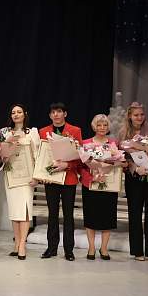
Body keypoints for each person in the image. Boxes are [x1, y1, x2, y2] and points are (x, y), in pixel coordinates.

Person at [37, 103, 83, 261]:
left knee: (68, 215)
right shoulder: (43, 131)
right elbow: (41, 155)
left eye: (59, 111)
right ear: (50, 115)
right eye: (53, 112)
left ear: (65, 114)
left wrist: (67, 165)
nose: (56, 115)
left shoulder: (75, 131)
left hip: (68, 178)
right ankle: (51, 248)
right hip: (51, 178)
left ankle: (69, 250)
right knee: (52, 214)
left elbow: (80, 157)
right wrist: (41, 173)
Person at [119, 101, 148, 262]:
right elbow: (122, 157)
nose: (139, 117)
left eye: (142, 114)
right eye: (136, 115)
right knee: (135, 214)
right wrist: (135, 168)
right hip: (134, 177)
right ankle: (137, 251)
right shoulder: (124, 132)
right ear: (130, 116)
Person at [0, 104, 41, 260]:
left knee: (24, 210)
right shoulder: (6, 133)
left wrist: (36, 176)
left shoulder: (32, 132)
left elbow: (37, 155)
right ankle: (16, 243)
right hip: (11, 176)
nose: (16, 115)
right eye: (13, 112)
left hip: (27, 178)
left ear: (24, 114)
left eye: (19, 112)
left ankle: (23, 244)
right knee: (14, 211)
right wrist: (5, 151)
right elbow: (2, 157)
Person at [78, 114, 119, 260]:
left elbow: (120, 163)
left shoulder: (114, 144)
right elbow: (81, 167)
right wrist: (92, 177)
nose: (102, 127)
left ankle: (104, 248)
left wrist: (114, 164)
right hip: (91, 185)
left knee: (107, 217)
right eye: (99, 125)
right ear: (94, 127)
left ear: (108, 127)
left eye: (105, 125)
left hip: (108, 185)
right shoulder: (86, 143)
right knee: (90, 216)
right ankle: (91, 248)